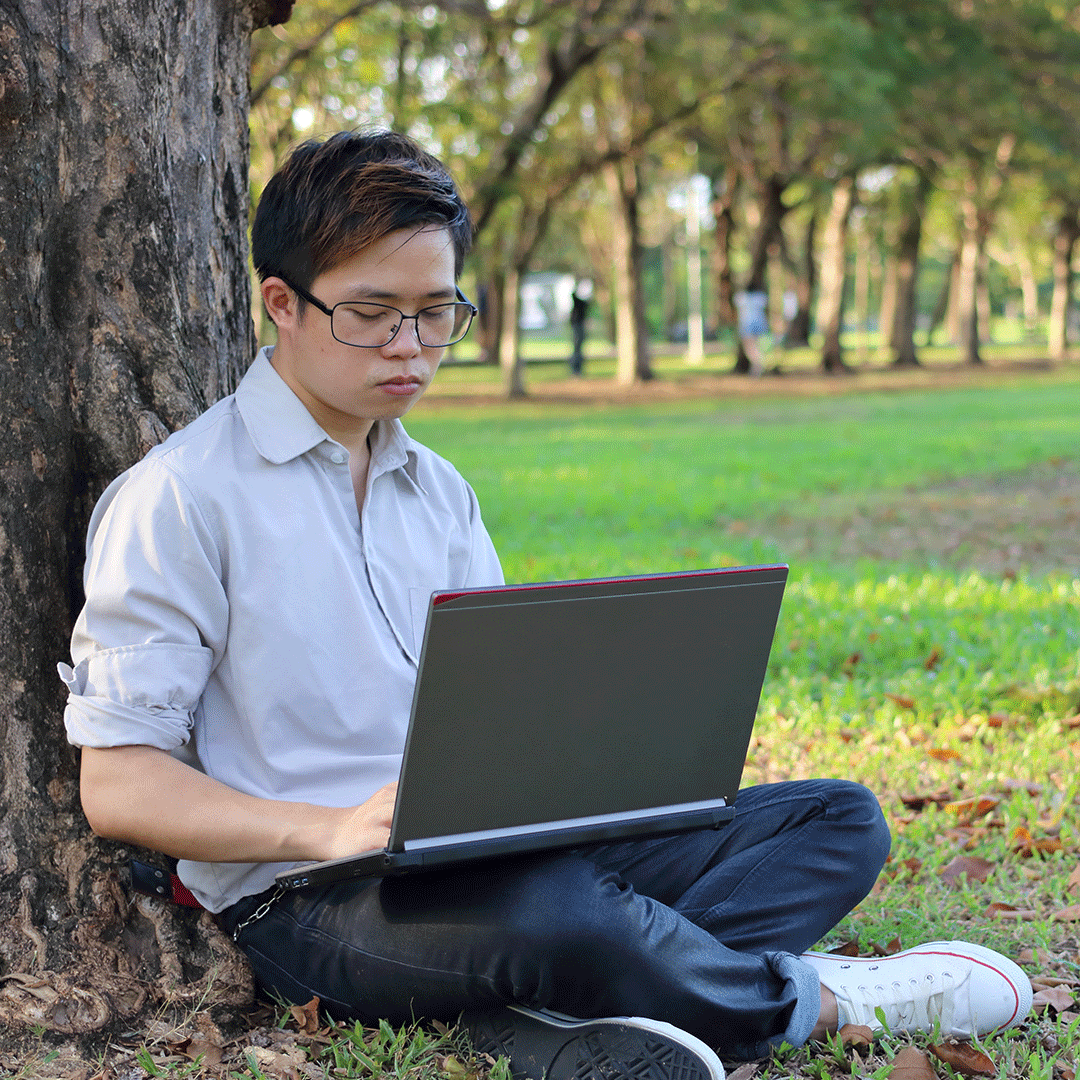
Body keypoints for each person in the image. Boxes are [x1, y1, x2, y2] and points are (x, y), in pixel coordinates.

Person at [60, 131, 1032, 1080]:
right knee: (564, 913)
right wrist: (325, 830)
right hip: (315, 896)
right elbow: (121, 788)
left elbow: (498, 702)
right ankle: (818, 1003)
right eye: (372, 314)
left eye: (437, 313)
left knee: (835, 822)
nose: (410, 348)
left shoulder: (435, 488)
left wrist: (602, 770)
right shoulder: (180, 497)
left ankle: (565, 998)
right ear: (282, 302)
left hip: (492, 849)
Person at [568, 279, 591, 375]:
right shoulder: (579, 302)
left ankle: (577, 369)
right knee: (577, 349)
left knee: (578, 349)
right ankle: (575, 369)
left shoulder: (582, 303)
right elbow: (573, 295)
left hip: (579, 327)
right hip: (577, 327)